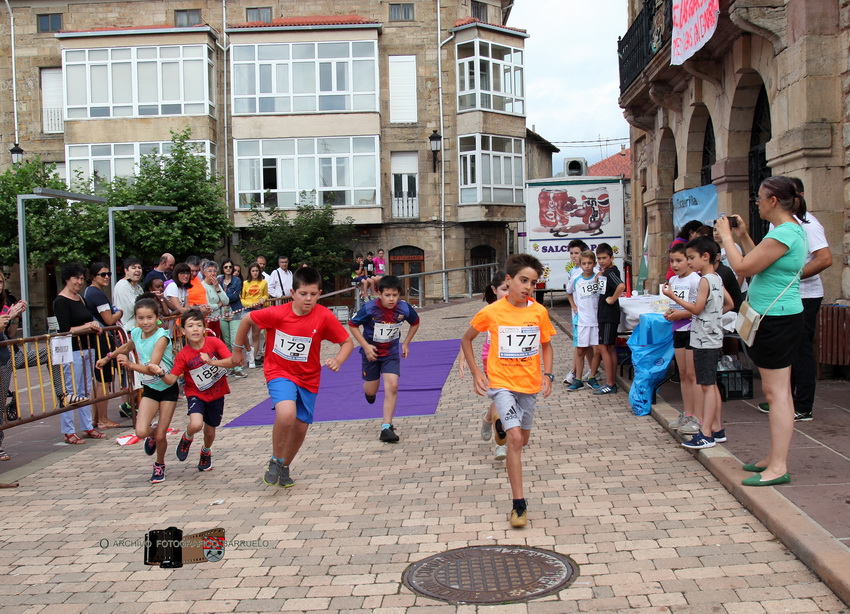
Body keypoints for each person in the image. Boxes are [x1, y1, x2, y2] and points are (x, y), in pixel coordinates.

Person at [715, 176, 808, 487]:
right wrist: (742, 237)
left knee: (776, 393)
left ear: (773, 201)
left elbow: (743, 268)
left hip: (777, 319)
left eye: (759, 197)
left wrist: (726, 238)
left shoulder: (785, 233)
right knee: (776, 391)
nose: (756, 202)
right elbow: (760, 261)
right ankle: (774, 457)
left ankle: (779, 466)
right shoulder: (787, 231)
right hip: (776, 317)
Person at [231, 266, 354, 488]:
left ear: (320, 293)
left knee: (300, 427)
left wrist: (338, 360)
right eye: (303, 293)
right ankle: (275, 460)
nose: (308, 299)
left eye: (313, 294)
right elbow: (247, 318)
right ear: (292, 293)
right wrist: (237, 350)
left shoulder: (324, 316)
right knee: (286, 414)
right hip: (279, 372)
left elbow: (347, 342)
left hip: (308, 378)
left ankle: (284, 466)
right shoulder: (278, 313)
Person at [460, 254, 556, 528]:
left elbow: (547, 345)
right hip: (501, 383)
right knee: (514, 440)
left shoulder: (538, 312)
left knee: (522, 440)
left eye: (533, 283)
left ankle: (500, 424)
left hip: (529, 385)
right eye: (523, 280)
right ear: (509, 280)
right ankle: (519, 504)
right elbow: (466, 339)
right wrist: (477, 373)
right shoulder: (492, 312)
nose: (528, 287)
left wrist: (548, 374)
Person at [758, 177, 832, 422]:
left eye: (760, 197)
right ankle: (783, 399)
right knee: (784, 353)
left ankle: (803, 405)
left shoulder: (807, 225)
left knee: (801, 350)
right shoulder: (777, 226)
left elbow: (825, 258)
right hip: (781, 299)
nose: (758, 203)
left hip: (804, 296)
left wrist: (794, 276)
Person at [96, 298, 176, 483]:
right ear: (136, 319)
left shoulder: (162, 337)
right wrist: (108, 357)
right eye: (141, 318)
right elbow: (127, 346)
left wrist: (130, 364)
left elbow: (153, 367)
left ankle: (159, 464)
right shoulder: (137, 332)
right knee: (140, 432)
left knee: (161, 435)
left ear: (157, 317)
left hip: (167, 388)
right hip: (150, 388)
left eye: (149, 317)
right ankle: (152, 433)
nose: (145, 322)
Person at [663, 236, 732, 448]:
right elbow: (728, 303)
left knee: (707, 386)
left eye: (691, 257)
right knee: (710, 384)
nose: (689, 262)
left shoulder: (704, 280)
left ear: (706, 257)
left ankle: (706, 432)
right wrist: (713, 317)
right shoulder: (717, 278)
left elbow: (696, 308)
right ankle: (716, 429)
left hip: (703, 338)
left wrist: (673, 297)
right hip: (710, 336)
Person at [153, 309, 236, 473]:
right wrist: (160, 373)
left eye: (199, 325)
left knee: (210, 431)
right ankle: (187, 437)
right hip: (195, 393)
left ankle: (205, 451)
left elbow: (232, 361)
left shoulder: (214, 343)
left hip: (217, 393)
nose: (195, 329)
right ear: (183, 331)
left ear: (205, 328)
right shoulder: (183, 355)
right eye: (190, 326)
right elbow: (171, 379)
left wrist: (212, 362)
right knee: (196, 424)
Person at [349, 275, 420, 443]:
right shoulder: (369, 308)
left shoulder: (404, 308)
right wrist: (366, 346)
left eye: (395, 295)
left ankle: (386, 427)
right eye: (387, 295)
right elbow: (352, 325)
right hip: (371, 354)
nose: (391, 299)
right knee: (371, 390)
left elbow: (415, 322)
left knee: (393, 386)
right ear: (379, 293)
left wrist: (406, 343)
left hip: (390, 354)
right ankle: (368, 392)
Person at [53, 263, 105, 444]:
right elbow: (64, 329)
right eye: (76, 278)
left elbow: (88, 319)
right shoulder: (60, 301)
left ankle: (87, 425)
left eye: (82, 278)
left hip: (87, 347)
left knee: (84, 389)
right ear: (67, 279)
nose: (79, 282)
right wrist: (86, 326)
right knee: (70, 391)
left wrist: (93, 325)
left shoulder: (80, 299)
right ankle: (68, 430)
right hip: (71, 351)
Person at [466, 270, 509, 460]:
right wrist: (466, 363)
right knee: (502, 398)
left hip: (514, 361)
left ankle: (487, 418)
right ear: (494, 290)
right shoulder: (489, 311)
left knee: (508, 398)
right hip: (491, 358)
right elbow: (467, 338)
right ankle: (501, 445)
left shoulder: (522, 308)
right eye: (504, 289)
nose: (508, 293)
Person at [663, 244, 703, 435]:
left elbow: (698, 308)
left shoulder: (696, 280)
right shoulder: (672, 280)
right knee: (684, 374)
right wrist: (670, 313)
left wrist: (681, 314)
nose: (675, 265)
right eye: (672, 261)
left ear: (689, 260)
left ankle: (698, 417)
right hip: (677, 330)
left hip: (692, 329)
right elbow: (674, 304)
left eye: (679, 260)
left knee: (694, 375)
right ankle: (687, 413)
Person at [83, 262, 124, 429]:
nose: (106, 277)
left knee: (101, 380)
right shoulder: (97, 294)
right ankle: (102, 419)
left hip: (98, 339)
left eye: (108, 274)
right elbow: (109, 320)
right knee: (104, 379)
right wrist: (120, 312)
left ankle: (96, 418)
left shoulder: (89, 292)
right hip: (102, 340)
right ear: (93, 276)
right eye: (103, 274)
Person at [564, 240, 600, 388]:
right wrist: (573, 306)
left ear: (594, 263)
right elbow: (568, 292)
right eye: (584, 263)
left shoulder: (598, 276)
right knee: (580, 350)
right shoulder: (576, 277)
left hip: (596, 319)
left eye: (589, 263)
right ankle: (578, 378)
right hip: (582, 319)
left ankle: (593, 376)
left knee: (596, 350)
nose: (587, 266)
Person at [594, 243, 625, 395]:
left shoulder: (611, 272)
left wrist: (612, 299)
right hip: (605, 314)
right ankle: (611, 381)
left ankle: (610, 383)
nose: (601, 261)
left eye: (604, 258)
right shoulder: (606, 272)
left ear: (611, 258)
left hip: (608, 314)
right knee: (609, 347)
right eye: (599, 258)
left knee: (604, 347)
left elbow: (621, 286)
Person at [218, 259, 246, 379]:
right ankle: (230, 366)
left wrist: (222, 296)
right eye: (226, 267)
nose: (228, 269)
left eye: (230, 267)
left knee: (235, 339)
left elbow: (235, 296)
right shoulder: (219, 279)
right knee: (227, 341)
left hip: (234, 310)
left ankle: (238, 367)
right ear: (222, 268)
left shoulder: (237, 280)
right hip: (222, 311)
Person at [190, 262, 228, 340]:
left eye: (214, 271)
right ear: (204, 273)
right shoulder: (202, 286)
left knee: (216, 341)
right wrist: (218, 305)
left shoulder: (217, 284)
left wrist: (217, 288)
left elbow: (226, 301)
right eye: (210, 271)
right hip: (207, 319)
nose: (213, 273)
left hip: (217, 319)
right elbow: (207, 305)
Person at [240, 262, 269, 368]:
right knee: (244, 335)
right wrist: (249, 304)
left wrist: (263, 299)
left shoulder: (264, 282)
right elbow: (242, 298)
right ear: (250, 272)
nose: (255, 273)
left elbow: (266, 295)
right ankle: (249, 352)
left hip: (258, 310)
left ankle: (253, 358)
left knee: (255, 335)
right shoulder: (245, 283)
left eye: (256, 271)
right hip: (247, 309)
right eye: (253, 271)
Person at [113, 257, 144, 330]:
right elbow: (133, 307)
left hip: (139, 325)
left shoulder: (138, 286)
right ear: (126, 271)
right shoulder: (123, 285)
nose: (137, 270)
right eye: (134, 268)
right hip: (128, 327)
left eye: (139, 267)